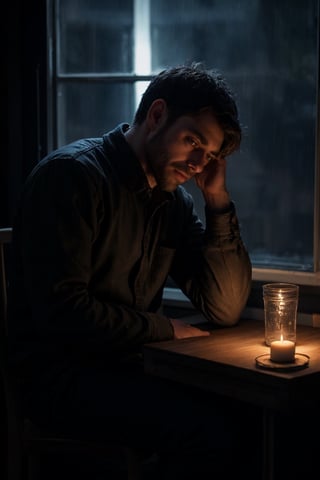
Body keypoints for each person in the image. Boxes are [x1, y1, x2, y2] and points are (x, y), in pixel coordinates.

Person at [8, 62, 258, 478]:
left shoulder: (171, 201)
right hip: (60, 378)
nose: (199, 163)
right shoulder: (71, 177)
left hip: (125, 367)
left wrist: (217, 201)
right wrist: (164, 328)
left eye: (210, 155)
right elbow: (65, 314)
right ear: (157, 115)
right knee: (204, 430)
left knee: (244, 412)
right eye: (193, 140)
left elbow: (225, 306)